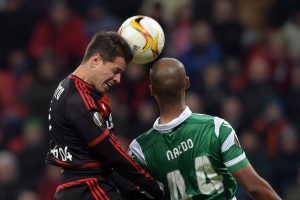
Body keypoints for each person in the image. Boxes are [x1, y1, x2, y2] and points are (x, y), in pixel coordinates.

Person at [129, 57, 281, 200]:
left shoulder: (139, 150)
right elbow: (254, 187)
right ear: (187, 82)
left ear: (152, 90)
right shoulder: (216, 127)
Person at [45, 31, 163, 200]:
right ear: (95, 60)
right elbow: (111, 153)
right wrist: (154, 187)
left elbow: (107, 161)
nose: (118, 79)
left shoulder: (86, 93)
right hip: (86, 188)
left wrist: (136, 193)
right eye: (115, 70)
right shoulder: (77, 99)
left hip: (85, 186)